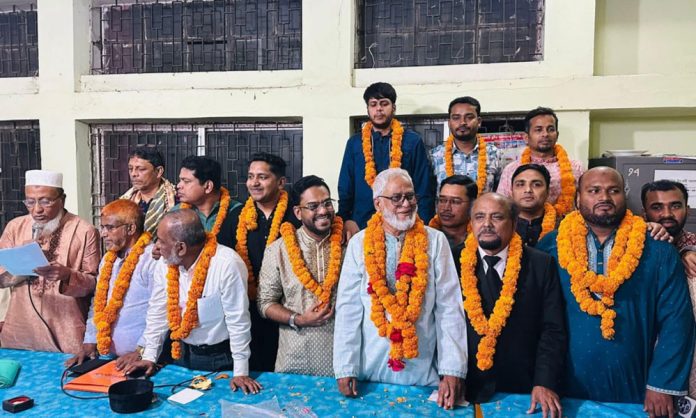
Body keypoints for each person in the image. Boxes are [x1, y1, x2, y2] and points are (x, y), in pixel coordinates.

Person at [537, 167, 695, 415]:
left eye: (613, 191)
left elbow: (677, 321)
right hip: (563, 386)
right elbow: (537, 320)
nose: (604, 197)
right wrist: (542, 380)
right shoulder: (550, 247)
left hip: (637, 387)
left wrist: (662, 384)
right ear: (578, 198)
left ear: (625, 195)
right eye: (594, 190)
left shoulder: (658, 249)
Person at [333, 168, 467, 410]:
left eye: (410, 196)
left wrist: (452, 369)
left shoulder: (435, 241)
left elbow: (449, 309)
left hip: (422, 367)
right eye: (397, 198)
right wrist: (345, 367)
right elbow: (348, 310)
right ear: (378, 204)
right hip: (370, 369)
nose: (406, 204)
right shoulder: (359, 243)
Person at [121, 210, 261, 394]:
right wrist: (149, 357)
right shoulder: (164, 264)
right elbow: (158, 312)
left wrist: (240, 372)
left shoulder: (226, 264)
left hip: (221, 359)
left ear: (181, 248)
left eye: (161, 241)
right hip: (181, 355)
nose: (156, 247)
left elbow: (238, 321)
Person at [461, 193, 566, 416]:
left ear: (514, 223)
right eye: (479, 217)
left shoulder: (541, 264)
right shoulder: (453, 260)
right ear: (471, 223)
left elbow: (552, 329)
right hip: (465, 388)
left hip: (524, 389)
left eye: (497, 217)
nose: (487, 224)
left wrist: (544, 381)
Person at [0, 170, 100, 353]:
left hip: (66, 330)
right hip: (20, 329)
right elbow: (1, 280)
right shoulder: (15, 228)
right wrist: (23, 264)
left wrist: (68, 275)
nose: (37, 209)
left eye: (45, 201)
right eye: (30, 202)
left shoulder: (84, 231)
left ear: (62, 199)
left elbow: (95, 285)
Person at [257, 175, 344, 376]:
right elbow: (264, 303)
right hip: (295, 360)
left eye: (327, 203)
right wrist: (299, 319)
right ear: (298, 212)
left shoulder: (349, 244)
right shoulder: (278, 250)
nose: (323, 211)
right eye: (313, 206)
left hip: (343, 360)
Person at [226, 152, 300, 372]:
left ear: (281, 182)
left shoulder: (297, 215)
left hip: (290, 310)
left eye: (262, 177)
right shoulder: (236, 217)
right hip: (249, 312)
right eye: (250, 177)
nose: (254, 183)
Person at [338, 82, 434, 240]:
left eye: (384, 104)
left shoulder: (412, 141)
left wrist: (423, 225)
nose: (379, 109)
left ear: (393, 108)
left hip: (404, 223)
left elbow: (423, 187)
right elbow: (345, 186)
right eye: (373, 104)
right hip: (361, 223)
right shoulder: (355, 143)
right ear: (368, 109)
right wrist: (346, 218)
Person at [65, 200, 157, 368]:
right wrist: (90, 341)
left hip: (141, 359)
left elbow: (159, 311)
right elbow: (97, 304)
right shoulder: (108, 260)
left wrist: (142, 350)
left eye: (110, 228)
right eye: (102, 227)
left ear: (130, 229)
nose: (103, 234)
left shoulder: (152, 259)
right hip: (109, 357)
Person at [641, 179, 696, 397]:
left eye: (675, 206)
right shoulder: (633, 244)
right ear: (644, 213)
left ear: (687, 209)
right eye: (657, 207)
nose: (667, 214)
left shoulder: (692, 248)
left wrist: (685, 251)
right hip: (643, 356)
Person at [497, 107, 584, 217]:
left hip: (566, 226)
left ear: (557, 135)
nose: (545, 134)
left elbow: (584, 204)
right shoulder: (511, 169)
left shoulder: (575, 167)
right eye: (538, 130)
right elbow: (502, 206)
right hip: (521, 226)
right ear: (526, 137)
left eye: (550, 129)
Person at [431, 96, 502, 193]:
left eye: (469, 117)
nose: (462, 122)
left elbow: (501, 194)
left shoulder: (495, 154)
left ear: (479, 122)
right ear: (449, 123)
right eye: (456, 118)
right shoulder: (434, 156)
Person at [174, 155, 241, 248]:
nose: (178, 186)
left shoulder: (238, 213)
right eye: (180, 180)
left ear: (208, 186)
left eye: (186, 181)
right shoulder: (176, 214)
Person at [120, 146, 177, 237]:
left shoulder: (175, 201)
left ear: (159, 171)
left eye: (141, 169)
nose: (134, 174)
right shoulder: (125, 201)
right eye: (130, 169)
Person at [428, 175, 477, 272]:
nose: (446, 208)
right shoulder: (425, 238)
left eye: (455, 202)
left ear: (472, 205)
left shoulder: (481, 239)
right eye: (442, 200)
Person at [510, 164, 556, 247]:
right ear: (511, 191)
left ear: (548, 191)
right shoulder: (500, 225)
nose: (528, 190)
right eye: (520, 184)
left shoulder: (564, 226)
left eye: (536, 185)